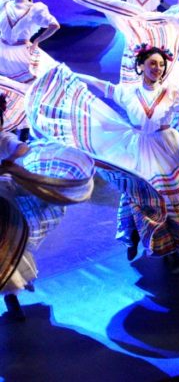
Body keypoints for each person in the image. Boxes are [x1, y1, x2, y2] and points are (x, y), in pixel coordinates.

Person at [29, 47, 179, 270]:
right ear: (141, 66)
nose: (157, 69)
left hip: (167, 147)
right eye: (152, 64)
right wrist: (68, 75)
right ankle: (132, 234)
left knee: (173, 199)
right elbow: (99, 85)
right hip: (141, 147)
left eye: (161, 65)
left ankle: (170, 248)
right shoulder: (128, 92)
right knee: (141, 193)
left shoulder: (172, 91)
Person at [0, 94, 94, 321]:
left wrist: (12, 160)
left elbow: (19, 148)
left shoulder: (3, 139)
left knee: (6, 248)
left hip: (3, 200)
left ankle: (10, 295)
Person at [0, 0, 59, 85]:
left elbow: (54, 25)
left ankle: (100, 84)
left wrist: (37, 41)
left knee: (49, 78)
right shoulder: (3, 3)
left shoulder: (35, 9)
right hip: (2, 50)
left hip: (21, 52)